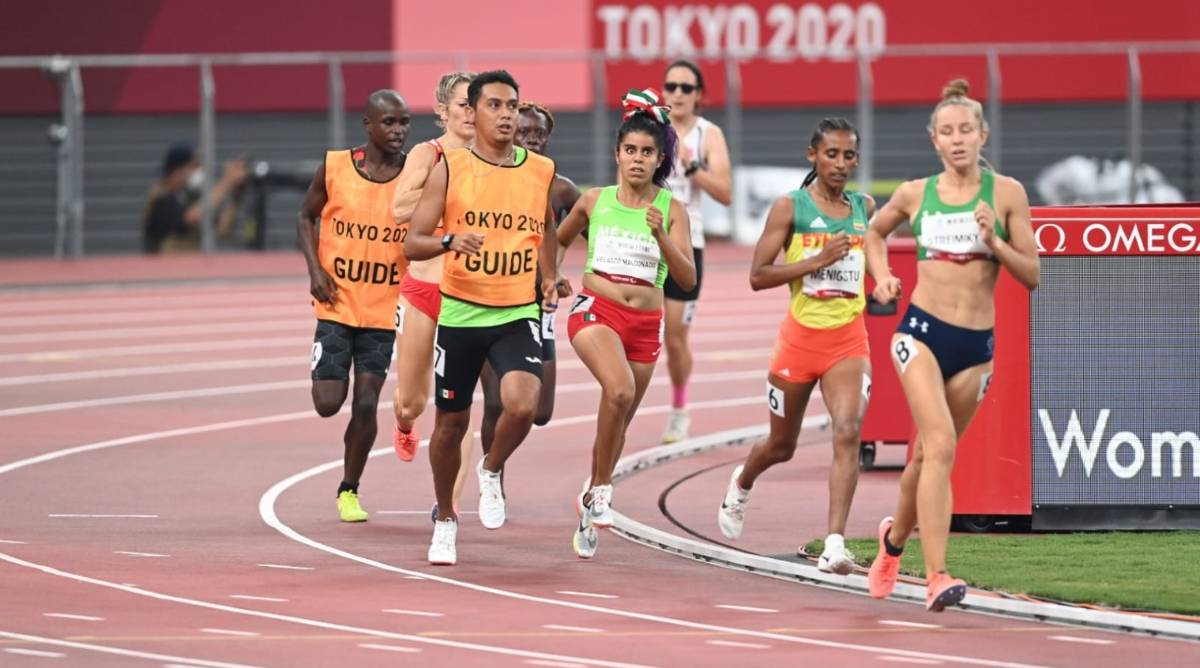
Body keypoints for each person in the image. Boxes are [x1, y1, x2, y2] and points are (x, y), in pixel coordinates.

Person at [864, 79, 1039, 611]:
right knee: (939, 446)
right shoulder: (916, 193)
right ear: (934, 140)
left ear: (983, 135)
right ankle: (937, 575)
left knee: (925, 460)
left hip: (975, 347)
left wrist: (995, 243)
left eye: (966, 129)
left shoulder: (1007, 194)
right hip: (919, 335)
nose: (957, 139)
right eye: (947, 131)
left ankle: (893, 543)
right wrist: (882, 279)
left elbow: (1032, 274)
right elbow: (873, 233)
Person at [404, 70, 563, 565]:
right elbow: (413, 241)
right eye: (495, 105)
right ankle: (446, 518)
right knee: (450, 426)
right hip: (461, 313)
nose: (507, 114)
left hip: (516, 309)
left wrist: (549, 276)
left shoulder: (539, 170)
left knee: (523, 405)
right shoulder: (449, 167)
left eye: (512, 105)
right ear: (472, 113)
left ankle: (491, 469)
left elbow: (548, 228)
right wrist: (451, 240)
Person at [716, 118, 875, 575]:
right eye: (831, 154)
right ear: (813, 156)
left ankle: (835, 544)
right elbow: (757, 276)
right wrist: (816, 260)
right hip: (799, 343)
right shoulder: (790, 208)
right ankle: (742, 482)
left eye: (848, 156)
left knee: (848, 430)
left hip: (848, 338)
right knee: (781, 445)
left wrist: (882, 282)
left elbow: (873, 257)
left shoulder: (864, 207)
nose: (840, 164)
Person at [557, 88, 694, 559]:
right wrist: (550, 277)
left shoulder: (672, 211)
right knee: (618, 391)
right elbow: (555, 241)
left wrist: (661, 234)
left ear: (660, 160)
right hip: (597, 309)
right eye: (630, 150)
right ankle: (601, 488)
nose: (637, 159)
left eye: (647, 152)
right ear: (617, 153)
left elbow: (687, 277)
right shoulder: (595, 201)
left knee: (619, 420)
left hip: (645, 321)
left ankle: (593, 491)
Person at [297, 90, 412, 523]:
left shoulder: (414, 180)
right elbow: (306, 216)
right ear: (368, 124)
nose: (399, 131)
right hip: (336, 304)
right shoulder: (335, 167)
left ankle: (349, 489)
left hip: (384, 312)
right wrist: (314, 270)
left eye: (404, 123)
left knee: (366, 402)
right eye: (390, 123)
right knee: (328, 402)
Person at [477, 101, 581, 492]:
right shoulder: (488, 179)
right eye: (525, 132)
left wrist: (557, 275)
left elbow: (592, 233)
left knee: (540, 411)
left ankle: (493, 464)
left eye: (539, 134)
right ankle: (494, 477)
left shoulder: (560, 187)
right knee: (494, 402)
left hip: (540, 310)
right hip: (493, 301)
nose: (532, 140)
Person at [389, 72, 477, 513]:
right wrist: (450, 200)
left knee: (458, 411)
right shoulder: (430, 153)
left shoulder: (492, 159)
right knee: (412, 400)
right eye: (462, 104)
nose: (470, 112)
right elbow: (400, 208)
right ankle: (403, 422)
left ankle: (449, 508)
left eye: (475, 103)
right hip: (424, 284)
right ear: (443, 110)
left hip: (470, 293)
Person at [659, 59, 732, 443]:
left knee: (674, 336)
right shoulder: (653, 128)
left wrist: (691, 168)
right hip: (645, 238)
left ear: (699, 95)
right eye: (671, 86)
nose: (677, 94)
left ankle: (678, 409)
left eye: (686, 88)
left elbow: (724, 192)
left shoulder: (709, 134)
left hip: (688, 243)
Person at [142, 143, 247, 253]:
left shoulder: (188, 197)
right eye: (194, 166)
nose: (198, 171)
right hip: (164, 267)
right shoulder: (160, 198)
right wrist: (227, 181)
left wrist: (236, 196)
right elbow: (191, 218)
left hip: (190, 266)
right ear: (177, 170)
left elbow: (222, 229)